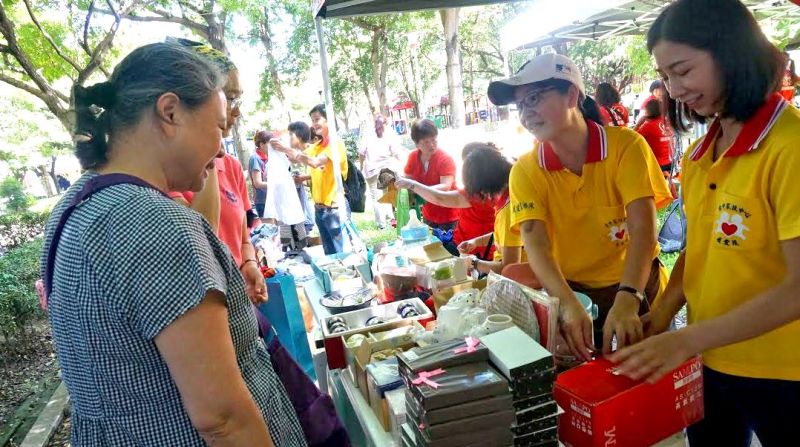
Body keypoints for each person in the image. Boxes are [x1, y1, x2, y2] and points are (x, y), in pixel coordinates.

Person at [42, 43, 305, 446]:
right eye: (218, 127)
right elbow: (222, 419)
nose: (221, 148)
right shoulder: (156, 223)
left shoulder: (74, 206)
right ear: (170, 113)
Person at [608, 1, 800, 444]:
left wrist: (684, 340)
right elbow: (701, 253)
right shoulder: (700, 155)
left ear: (731, 53)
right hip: (709, 362)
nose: (673, 90)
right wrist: (660, 318)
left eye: (683, 70)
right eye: (666, 76)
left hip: (783, 369)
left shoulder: (788, 149)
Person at [487, 53, 673, 359]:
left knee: (647, 383)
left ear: (571, 94)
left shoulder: (626, 147)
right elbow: (536, 245)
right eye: (520, 105)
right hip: (572, 292)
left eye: (533, 98)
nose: (526, 113)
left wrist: (628, 297)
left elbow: (643, 229)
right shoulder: (526, 171)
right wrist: (567, 304)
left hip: (638, 287)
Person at [167, 40, 266, 305]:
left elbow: (242, 235)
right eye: (229, 98)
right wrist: (211, 150)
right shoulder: (170, 174)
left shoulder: (232, 166)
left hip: (237, 299)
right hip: (207, 305)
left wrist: (249, 264)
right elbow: (202, 241)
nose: (236, 111)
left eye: (237, 98)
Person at [397, 142, 521, 273]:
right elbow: (504, 234)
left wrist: (474, 263)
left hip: (492, 265)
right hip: (478, 251)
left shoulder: (506, 210)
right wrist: (475, 242)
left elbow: (509, 269)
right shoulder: (508, 197)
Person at [272, 104, 348, 255]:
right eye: (312, 120)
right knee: (330, 255)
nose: (313, 124)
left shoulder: (336, 145)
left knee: (341, 254)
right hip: (320, 210)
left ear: (329, 120)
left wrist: (286, 149)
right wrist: (277, 148)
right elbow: (297, 159)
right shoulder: (317, 146)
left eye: (317, 119)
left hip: (334, 209)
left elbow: (315, 162)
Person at [403, 119, 459, 233]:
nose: (431, 145)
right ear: (417, 144)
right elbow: (407, 179)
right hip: (428, 213)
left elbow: (445, 186)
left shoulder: (445, 159)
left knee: (450, 248)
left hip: (449, 214)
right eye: (426, 142)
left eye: (433, 140)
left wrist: (417, 188)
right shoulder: (413, 157)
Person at [359, 116, 403, 229]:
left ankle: (381, 224)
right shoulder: (389, 134)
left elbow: (361, 153)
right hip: (386, 169)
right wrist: (403, 163)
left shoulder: (368, 134)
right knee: (387, 195)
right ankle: (391, 219)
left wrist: (361, 165)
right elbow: (396, 152)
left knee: (376, 198)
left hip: (371, 171)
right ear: (386, 123)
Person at [287, 121, 315, 234]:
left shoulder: (312, 151)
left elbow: (324, 171)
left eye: (290, 135)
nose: (288, 139)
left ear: (299, 136)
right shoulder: (306, 152)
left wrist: (304, 177)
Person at [636, 99, 674, 173]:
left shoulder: (648, 126)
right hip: (671, 162)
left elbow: (631, 138)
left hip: (657, 164)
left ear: (648, 111)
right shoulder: (668, 123)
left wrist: (638, 124)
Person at [249, 131, 270, 217]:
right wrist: (277, 184)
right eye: (270, 143)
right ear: (261, 144)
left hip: (270, 199)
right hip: (262, 202)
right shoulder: (255, 158)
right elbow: (257, 183)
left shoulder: (268, 157)